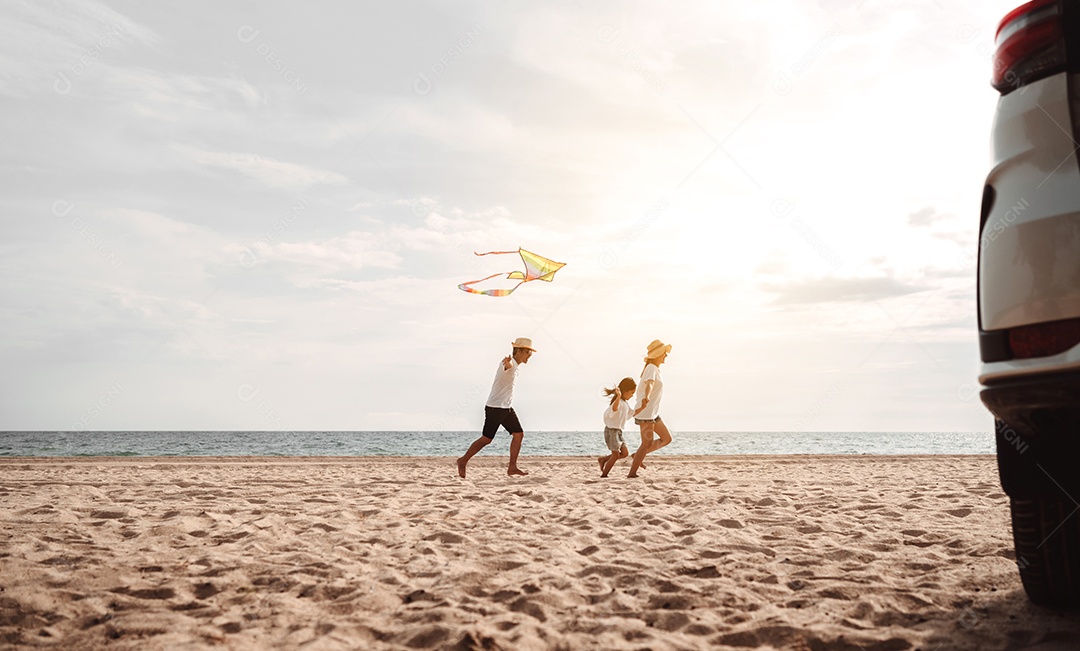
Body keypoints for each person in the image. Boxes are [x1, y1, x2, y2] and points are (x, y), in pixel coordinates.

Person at [457, 337, 536, 478]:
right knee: (486, 439)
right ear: (518, 351)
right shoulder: (508, 363)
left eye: (530, 353)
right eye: (527, 352)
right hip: (495, 408)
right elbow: (507, 365)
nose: (529, 356)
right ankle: (463, 461)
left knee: (518, 435)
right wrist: (508, 363)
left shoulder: (516, 366)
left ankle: (512, 467)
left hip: (506, 408)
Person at [627, 339, 672, 478]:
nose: (666, 355)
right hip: (646, 412)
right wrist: (646, 396)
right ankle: (632, 473)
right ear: (658, 354)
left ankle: (638, 455)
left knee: (666, 438)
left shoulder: (655, 369)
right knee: (646, 443)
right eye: (664, 353)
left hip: (653, 413)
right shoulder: (651, 368)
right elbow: (649, 384)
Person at [598, 377, 648, 477]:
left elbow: (632, 413)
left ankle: (603, 460)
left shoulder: (625, 404)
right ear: (625, 391)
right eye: (631, 393)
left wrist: (642, 407)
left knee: (625, 453)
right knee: (615, 455)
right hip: (611, 431)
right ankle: (604, 475)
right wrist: (618, 396)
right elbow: (614, 408)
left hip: (619, 432)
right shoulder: (618, 402)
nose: (632, 395)